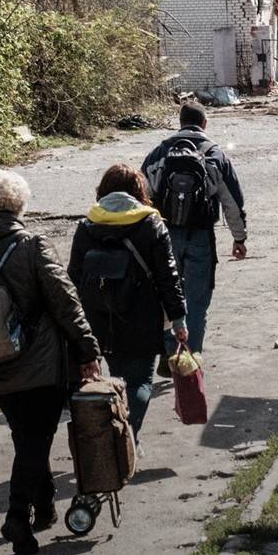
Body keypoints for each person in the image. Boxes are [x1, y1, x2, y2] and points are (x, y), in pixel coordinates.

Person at [0, 171, 102, 555]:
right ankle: (16, 516)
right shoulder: (32, 246)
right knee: (35, 440)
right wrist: (88, 350)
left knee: (27, 437)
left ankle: (42, 506)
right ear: (19, 206)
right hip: (38, 365)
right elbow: (66, 303)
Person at [67, 163, 187, 438]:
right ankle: (127, 438)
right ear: (139, 191)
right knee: (140, 383)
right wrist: (179, 319)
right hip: (141, 317)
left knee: (115, 376)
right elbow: (168, 277)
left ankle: (119, 440)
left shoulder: (87, 226)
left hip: (98, 318)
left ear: (103, 190)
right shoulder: (151, 224)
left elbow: (73, 278)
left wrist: (73, 327)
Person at [141, 103, 247, 360]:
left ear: (180, 122)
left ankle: (170, 354)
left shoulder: (159, 153)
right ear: (204, 123)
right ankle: (190, 360)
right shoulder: (215, 155)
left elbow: (142, 197)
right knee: (197, 302)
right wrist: (239, 238)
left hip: (165, 236)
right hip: (201, 236)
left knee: (168, 295)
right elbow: (232, 202)